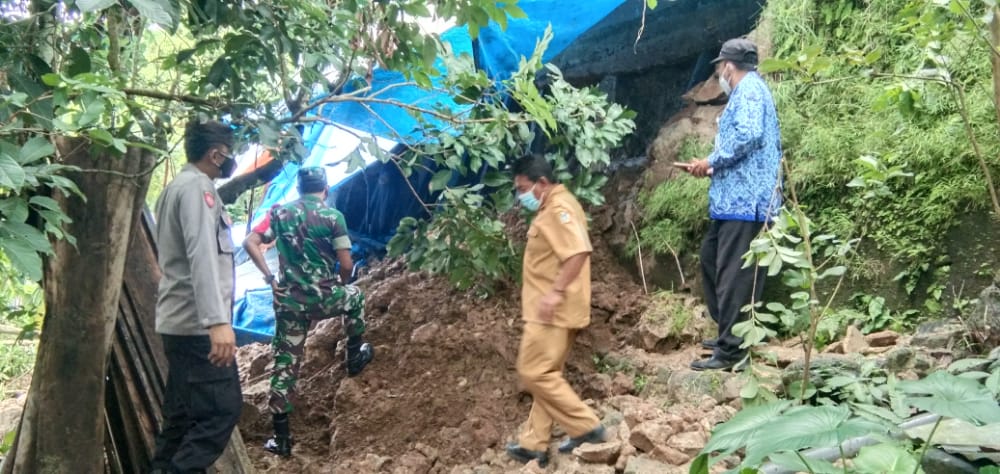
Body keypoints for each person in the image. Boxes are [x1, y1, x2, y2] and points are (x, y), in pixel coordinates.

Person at [243, 167, 374, 457]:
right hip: (326, 298)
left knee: (285, 363)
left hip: (290, 303)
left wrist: (270, 279)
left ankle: (282, 439)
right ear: (325, 189)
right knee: (355, 296)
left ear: (300, 189)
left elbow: (250, 241)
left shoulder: (279, 214)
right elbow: (347, 265)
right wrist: (337, 286)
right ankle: (354, 356)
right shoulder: (332, 217)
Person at [683, 38, 783, 371]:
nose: (719, 74)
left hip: (747, 200)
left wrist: (712, 159)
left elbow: (748, 136)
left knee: (734, 275)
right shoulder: (746, 92)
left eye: (719, 68)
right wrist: (711, 168)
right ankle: (730, 331)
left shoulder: (751, 90)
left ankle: (731, 350)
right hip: (732, 201)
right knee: (712, 261)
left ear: (728, 66)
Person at [151, 120, 242, 473]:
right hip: (196, 328)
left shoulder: (178, 187)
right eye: (228, 154)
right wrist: (217, 322)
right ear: (215, 154)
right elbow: (202, 254)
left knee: (182, 416)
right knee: (221, 410)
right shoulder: (197, 189)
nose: (230, 160)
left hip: (180, 324)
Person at [505, 155, 606, 467]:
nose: (521, 195)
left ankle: (586, 426)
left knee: (533, 372)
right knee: (548, 374)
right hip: (557, 308)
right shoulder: (558, 204)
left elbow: (578, 252)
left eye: (523, 188)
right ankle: (534, 443)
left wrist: (554, 294)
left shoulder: (557, 209)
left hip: (551, 310)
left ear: (542, 183)